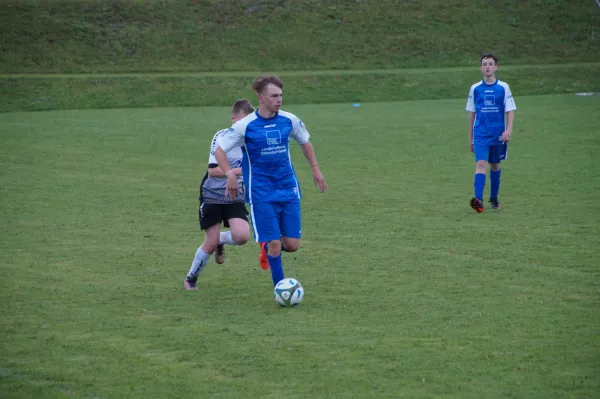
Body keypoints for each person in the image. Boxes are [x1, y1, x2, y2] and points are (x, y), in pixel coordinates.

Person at [213, 75, 328, 289]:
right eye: (274, 96)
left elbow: (305, 142)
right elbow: (220, 150)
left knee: (292, 245)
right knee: (275, 244)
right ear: (261, 97)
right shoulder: (246, 126)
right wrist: (229, 173)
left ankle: (267, 248)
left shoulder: (289, 120)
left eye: (281, 95)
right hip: (261, 193)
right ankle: (281, 289)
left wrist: (315, 168)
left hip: (288, 189)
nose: (279, 99)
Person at [183, 99, 254, 290]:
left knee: (242, 236)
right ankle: (191, 278)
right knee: (209, 242)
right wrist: (240, 172)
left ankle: (222, 240)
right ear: (233, 120)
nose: (245, 126)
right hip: (212, 193)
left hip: (234, 194)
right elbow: (213, 170)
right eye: (242, 121)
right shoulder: (222, 137)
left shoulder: (252, 141)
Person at [466, 53, 516, 212]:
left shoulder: (503, 87)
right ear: (481, 68)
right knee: (481, 164)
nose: (487, 66)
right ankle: (478, 200)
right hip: (480, 134)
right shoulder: (475, 89)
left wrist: (509, 129)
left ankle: (493, 199)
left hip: (498, 135)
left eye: (490, 64)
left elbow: (510, 110)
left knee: (495, 165)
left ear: (496, 67)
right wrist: (471, 139)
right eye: (485, 64)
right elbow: (472, 114)